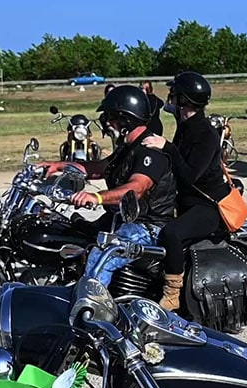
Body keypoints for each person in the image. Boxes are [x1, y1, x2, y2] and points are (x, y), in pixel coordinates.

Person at [39, 85, 177, 287]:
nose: (106, 124)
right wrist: (57, 165)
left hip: (149, 226)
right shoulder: (128, 148)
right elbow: (98, 168)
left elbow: (136, 188)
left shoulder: (150, 150)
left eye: (110, 117)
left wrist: (97, 197)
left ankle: (91, 309)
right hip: (123, 220)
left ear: (125, 120)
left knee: (101, 257)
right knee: (73, 232)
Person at [141, 71, 229, 311]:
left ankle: (171, 295)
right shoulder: (186, 124)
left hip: (208, 207)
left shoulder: (205, 134)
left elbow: (190, 175)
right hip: (186, 202)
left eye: (175, 94)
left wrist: (167, 147)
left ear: (184, 99)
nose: (170, 97)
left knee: (171, 233)